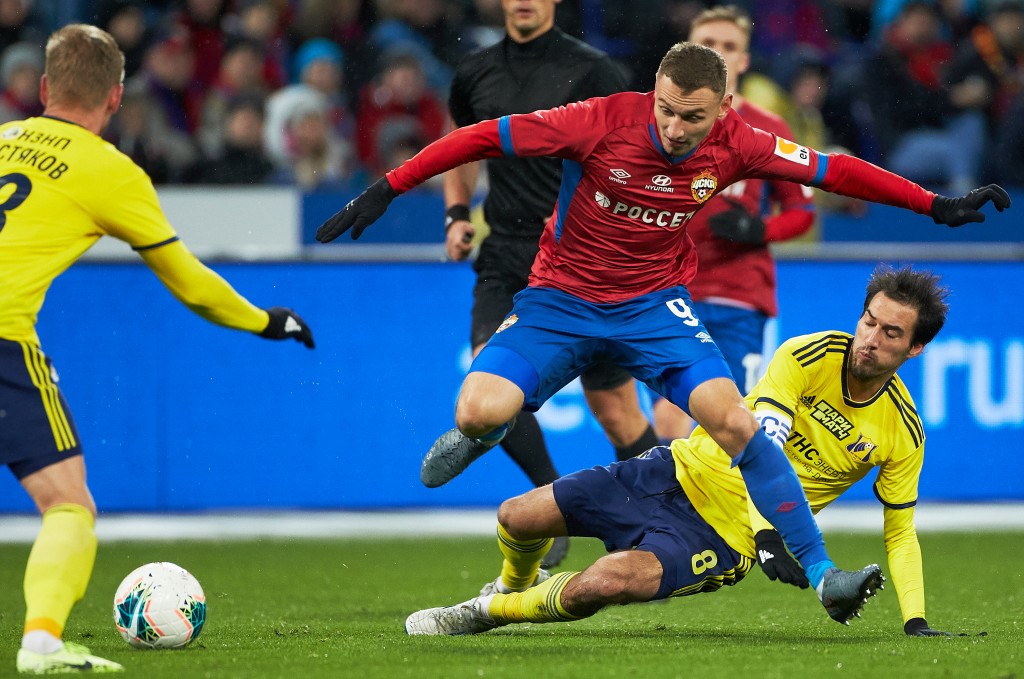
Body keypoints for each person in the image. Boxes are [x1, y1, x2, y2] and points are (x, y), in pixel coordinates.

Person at [315, 41, 1009, 623]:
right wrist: (388, 187)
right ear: (653, 94)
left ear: (723, 109)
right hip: (562, 299)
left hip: (653, 309)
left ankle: (824, 572)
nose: (675, 129)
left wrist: (933, 204)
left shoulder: (740, 143)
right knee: (478, 410)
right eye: (666, 111)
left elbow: (833, 171)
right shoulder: (598, 120)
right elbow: (482, 136)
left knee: (735, 422)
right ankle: (485, 437)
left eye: (693, 117)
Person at [403, 264, 965, 638]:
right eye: (869, 321)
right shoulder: (809, 355)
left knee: (604, 583)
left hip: (723, 537)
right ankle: (510, 588)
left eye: (891, 334)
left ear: (916, 348)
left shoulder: (902, 431)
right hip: (672, 469)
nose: (870, 339)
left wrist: (915, 619)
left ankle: (483, 612)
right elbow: (763, 444)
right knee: (516, 516)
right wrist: (772, 534)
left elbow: (900, 533)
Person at [4, 24, 315, 675]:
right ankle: (41, 645)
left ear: (44, 87)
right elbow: (191, 284)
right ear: (116, 97)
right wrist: (265, 321)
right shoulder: (109, 170)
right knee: (68, 503)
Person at [442, 0, 658, 563]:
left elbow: (632, 157)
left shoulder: (594, 71)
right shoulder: (475, 71)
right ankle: (552, 503)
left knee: (617, 412)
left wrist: (599, 221)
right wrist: (457, 213)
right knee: (488, 377)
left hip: (580, 261)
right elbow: (462, 143)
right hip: (506, 252)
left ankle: (662, 527)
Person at [650, 5, 817, 442]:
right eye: (707, 44)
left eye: (729, 46)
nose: (717, 53)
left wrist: (759, 231)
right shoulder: (659, 123)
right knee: (670, 420)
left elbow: (802, 212)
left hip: (737, 297)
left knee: (727, 427)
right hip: (668, 292)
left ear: (743, 60)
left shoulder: (768, 130)